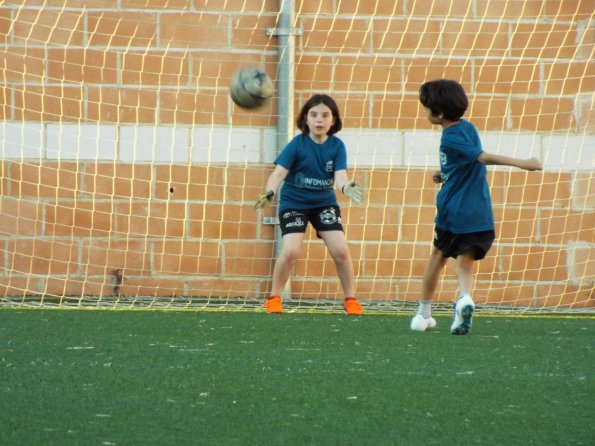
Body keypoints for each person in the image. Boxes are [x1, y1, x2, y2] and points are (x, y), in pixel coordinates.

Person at [411, 79, 543, 334]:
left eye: (426, 108)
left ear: (438, 113)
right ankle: (464, 298)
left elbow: (481, 157)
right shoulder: (468, 128)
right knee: (465, 260)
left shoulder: (449, 137)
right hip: (479, 211)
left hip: (453, 210)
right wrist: (445, 171)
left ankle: (423, 313)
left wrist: (523, 163)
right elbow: (468, 159)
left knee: (438, 256)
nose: (425, 112)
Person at [254, 94, 364, 315]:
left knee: (341, 250)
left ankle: (350, 300)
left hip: (324, 204)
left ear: (333, 121)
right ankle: (274, 298)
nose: (319, 120)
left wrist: (347, 187)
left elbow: (340, 177)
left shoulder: (337, 146)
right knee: (292, 250)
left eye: (325, 115)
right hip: (294, 203)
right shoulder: (297, 144)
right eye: (314, 115)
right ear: (305, 119)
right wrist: (270, 192)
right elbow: (278, 173)